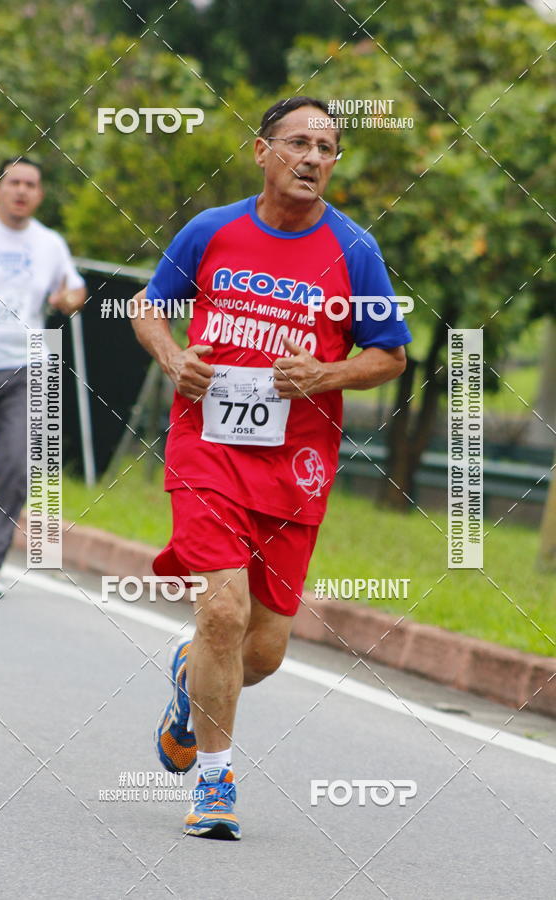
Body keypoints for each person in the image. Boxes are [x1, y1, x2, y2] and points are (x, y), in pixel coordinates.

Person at [132, 97, 412, 840]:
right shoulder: (212, 230)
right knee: (223, 610)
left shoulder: (354, 251)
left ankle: (190, 679)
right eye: (298, 143)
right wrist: (173, 358)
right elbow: (149, 306)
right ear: (262, 152)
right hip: (208, 452)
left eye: (327, 146)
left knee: (262, 651)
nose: (314, 157)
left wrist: (324, 375)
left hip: (297, 470)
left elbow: (389, 354)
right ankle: (216, 786)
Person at [0, 157, 86, 595]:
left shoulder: (49, 242)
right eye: (14, 182)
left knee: (15, 468)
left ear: (40, 193)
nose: (22, 191)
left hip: (25, 367)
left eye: (31, 184)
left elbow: (76, 288)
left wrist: (70, 298)